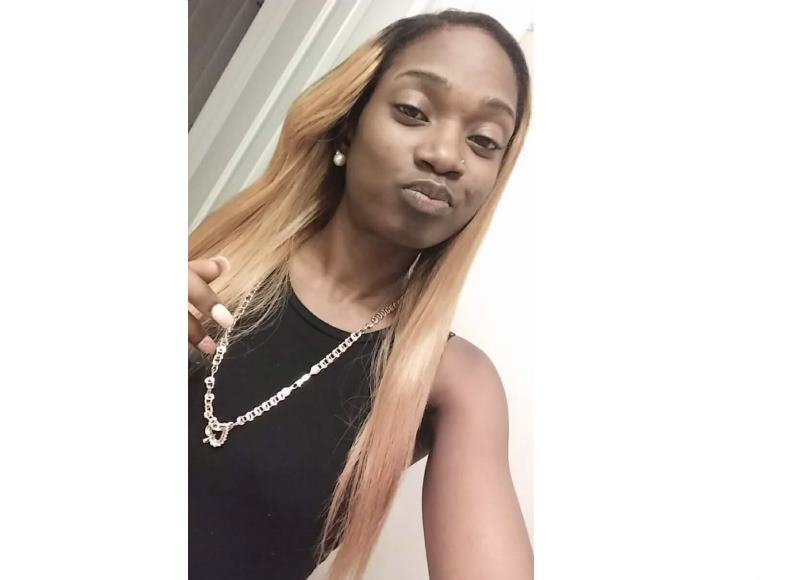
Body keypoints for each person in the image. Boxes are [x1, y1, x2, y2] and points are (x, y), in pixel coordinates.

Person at [188, 9, 533, 580]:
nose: (446, 156)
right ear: (349, 125)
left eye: (483, 140)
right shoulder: (209, 264)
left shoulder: (453, 382)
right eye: (412, 111)